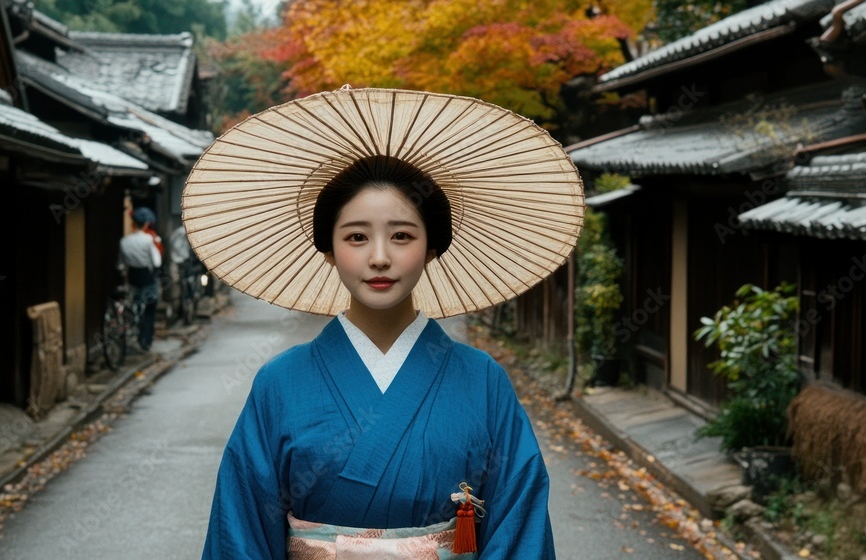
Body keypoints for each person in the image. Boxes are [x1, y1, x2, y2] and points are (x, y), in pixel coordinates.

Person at [189, 88, 583, 559]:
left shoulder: (483, 381)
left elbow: (520, 527)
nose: (379, 258)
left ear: (432, 247)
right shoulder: (279, 383)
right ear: (329, 249)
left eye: (401, 235)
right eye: (356, 236)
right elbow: (242, 529)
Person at [118, 206, 161, 352]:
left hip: (132, 276)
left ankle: (133, 332)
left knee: (134, 304)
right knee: (149, 309)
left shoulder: (124, 241)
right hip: (147, 276)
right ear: (146, 223)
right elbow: (156, 262)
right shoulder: (148, 239)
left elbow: (120, 264)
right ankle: (146, 339)